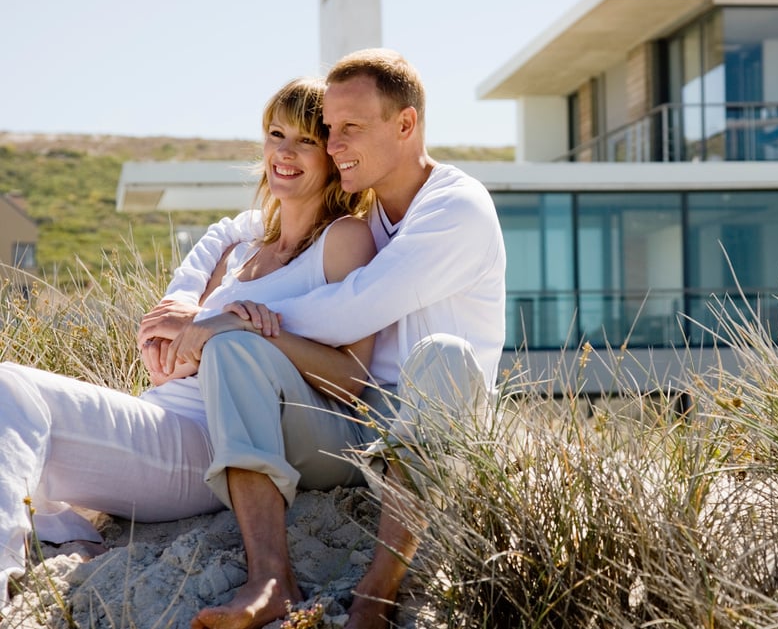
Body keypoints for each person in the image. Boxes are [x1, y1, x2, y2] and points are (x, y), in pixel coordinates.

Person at [146, 48, 506, 629]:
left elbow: (350, 310)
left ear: (406, 124)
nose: (333, 144)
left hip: (430, 427)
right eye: (330, 130)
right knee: (236, 350)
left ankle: (378, 589)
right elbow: (241, 226)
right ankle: (270, 578)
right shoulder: (363, 218)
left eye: (350, 129)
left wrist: (225, 318)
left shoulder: (455, 208)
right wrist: (194, 296)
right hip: (346, 417)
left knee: (443, 353)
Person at [0, 76, 376, 613]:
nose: (285, 153)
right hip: (159, 417)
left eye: (306, 141)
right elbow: (174, 344)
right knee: (15, 419)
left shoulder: (343, 239)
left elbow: (352, 377)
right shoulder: (241, 249)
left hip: (210, 442)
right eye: (275, 134)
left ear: (332, 155)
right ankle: (64, 530)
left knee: (11, 384)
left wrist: (249, 331)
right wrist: (187, 333)